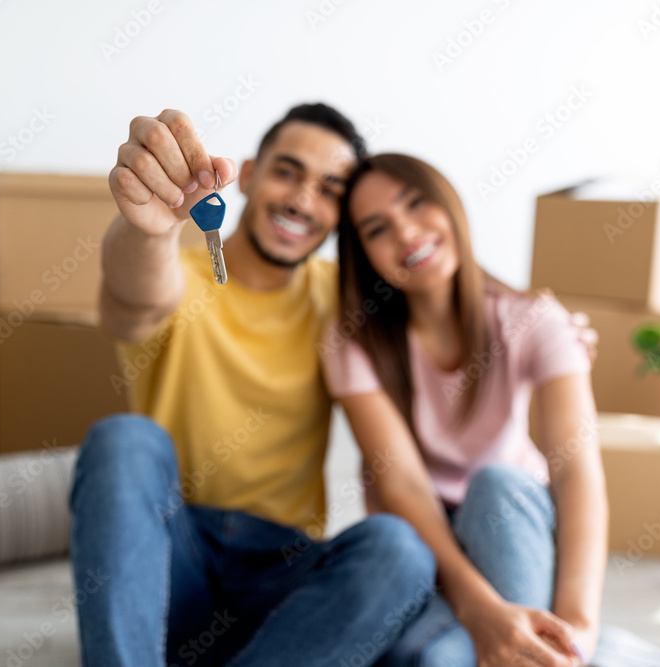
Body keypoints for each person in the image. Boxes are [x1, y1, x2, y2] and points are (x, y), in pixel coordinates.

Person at [69, 105, 439, 667]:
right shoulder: (183, 273)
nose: (301, 199)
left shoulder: (343, 301)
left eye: (329, 189)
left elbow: (445, 315)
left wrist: (543, 326)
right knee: (122, 441)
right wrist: (148, 232)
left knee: (398, 550)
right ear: (248, 172)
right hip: (171, 568)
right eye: (288, 172)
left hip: (283, 583)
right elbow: (132, 303)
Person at [320, 153, 608, 667]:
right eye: (377, 228)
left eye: (415, 202)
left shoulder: (536, 320)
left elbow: (576, 469)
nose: (407, 233)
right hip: (430, 545)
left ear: (448, 203)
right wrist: (482, 611)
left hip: (512, 521)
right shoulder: (353, 344)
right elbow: (403, 487)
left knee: (494, 486)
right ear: (362, 254)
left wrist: (578, 625)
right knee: (433, 659)